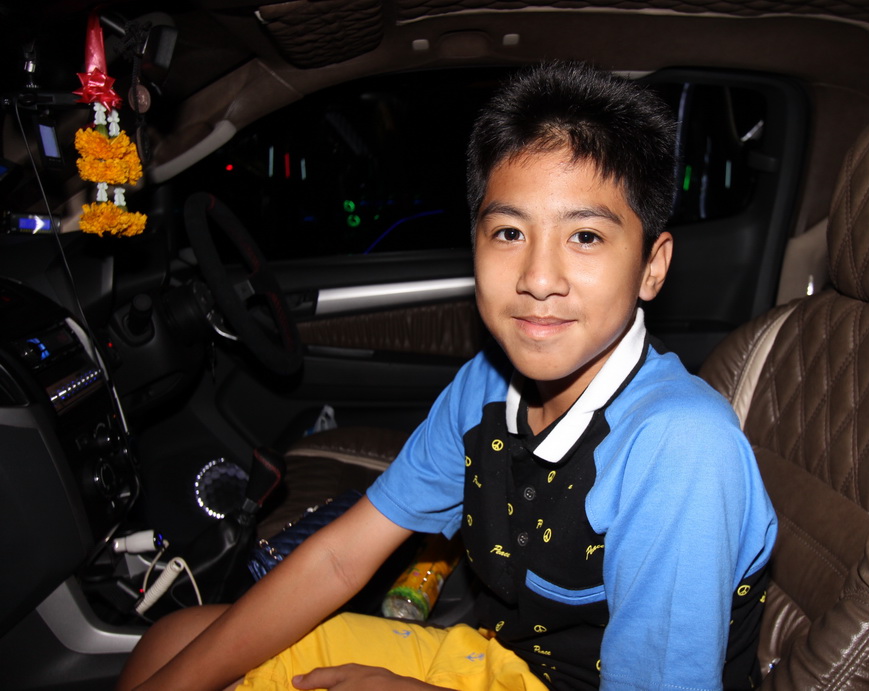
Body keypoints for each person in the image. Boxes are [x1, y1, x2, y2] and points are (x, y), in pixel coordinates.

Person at [118, 61, 777, 691]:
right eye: (509, 232)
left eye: (585, 237)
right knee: (173, 643)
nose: (538, 278)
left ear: (652, 266)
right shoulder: (486, 386)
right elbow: (340, 557)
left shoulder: (679, 447)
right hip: (499, 659)